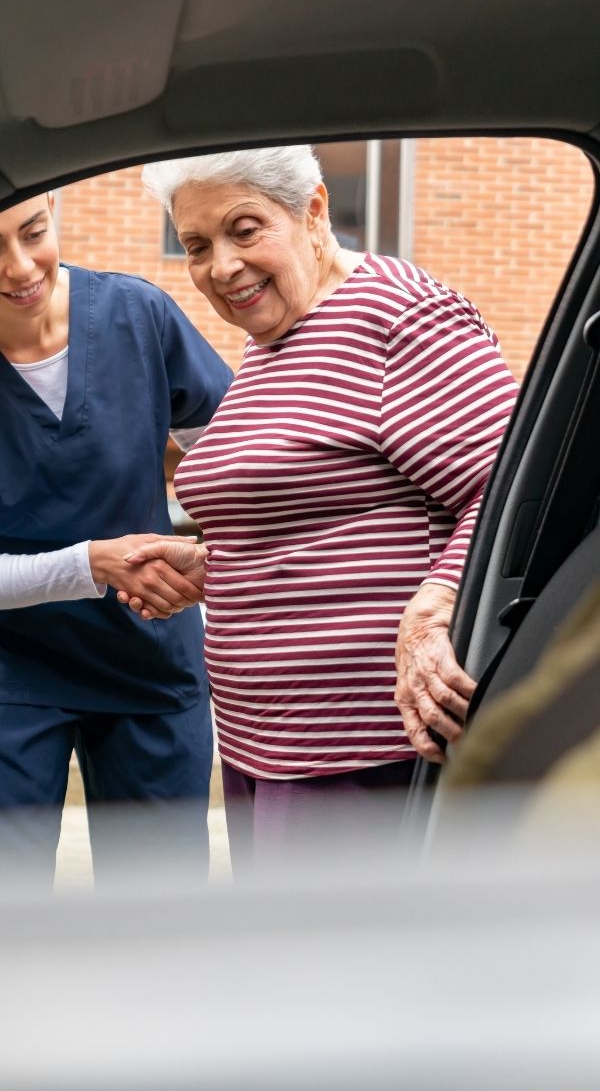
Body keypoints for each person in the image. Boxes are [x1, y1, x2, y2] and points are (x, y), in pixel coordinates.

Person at [120, 146, 519, 873]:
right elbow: (333, 505)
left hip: (356, 748)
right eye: (197, 246)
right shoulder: (278, 339)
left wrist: (433, 610)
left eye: (246, 229)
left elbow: (511, 491)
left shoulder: (401, 317)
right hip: (264, 745)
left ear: (314, 210)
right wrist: (218, 559)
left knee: (337, 978)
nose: (222, 266)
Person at [0, 193, 233, 886]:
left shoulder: (139, 318)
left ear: (52, 211)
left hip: (148, 657)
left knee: (159, 908)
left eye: (34, 233)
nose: (21, 266)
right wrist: (95, 565)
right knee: (8, 909)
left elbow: (237, 470)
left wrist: (207, 559)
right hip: (16, 668)